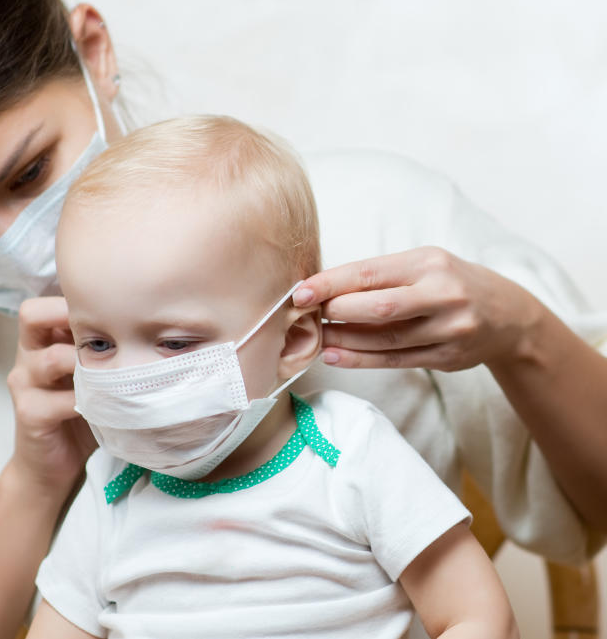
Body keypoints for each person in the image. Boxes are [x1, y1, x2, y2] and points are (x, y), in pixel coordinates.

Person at [0, 0, 607, 638]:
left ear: (93, 53)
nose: (23, 250)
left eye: (30, 174)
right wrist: (34, 480)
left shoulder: (377, 219)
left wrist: (520, 334)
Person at [26, 114, 517, 639]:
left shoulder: (349, 454)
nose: (130, 379)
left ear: (294, 340)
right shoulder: (111, 485)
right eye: (97, 344)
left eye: (175, 343)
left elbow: (477, 615)